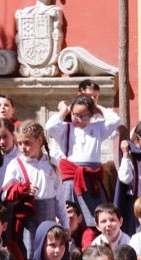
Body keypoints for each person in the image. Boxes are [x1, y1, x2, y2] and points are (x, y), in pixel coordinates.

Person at [46, 94, 121, 226]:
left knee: (94, 216)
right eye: (76, 115)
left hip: (91, 178)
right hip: (72, 177)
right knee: (70, 215)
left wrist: (97, 107)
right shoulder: (65, 129)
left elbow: (115, 120)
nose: (80, 119)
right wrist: (64, 110)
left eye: (85, 116)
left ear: (92, 115)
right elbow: (50, 127)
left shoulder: (98, 128)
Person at [0, 120, 66, 258]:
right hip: (27, 221)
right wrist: (21, 190)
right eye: (20, 143)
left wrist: (65, 225)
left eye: (27, 143)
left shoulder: (51, 163)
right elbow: (4, 195)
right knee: (28, 254)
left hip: (48, 217)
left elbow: (59, 197)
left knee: (47, 253)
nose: (23, 147)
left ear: (39, 140)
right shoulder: (15, 164)